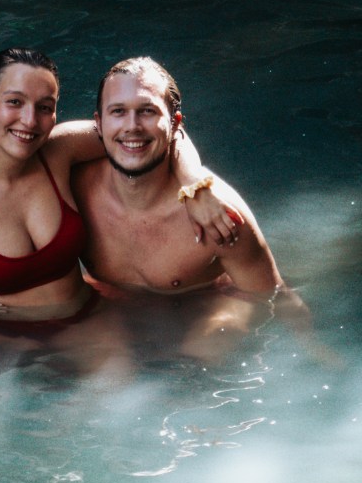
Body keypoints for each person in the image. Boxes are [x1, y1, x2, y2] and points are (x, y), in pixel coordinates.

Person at [0, 48, 238, 339]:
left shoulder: (61, 151)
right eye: (14, 102)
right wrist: (18, 348)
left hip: (87, 328)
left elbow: (159, 134)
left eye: (45, 107)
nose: (29, 120)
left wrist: (195, 185)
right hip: (2, 342)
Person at [70, 56, 312, 358]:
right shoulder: (71, 191)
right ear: (98, 122)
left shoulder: (217, 214)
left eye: (147, 111)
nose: (132, 126)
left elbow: (272, 295)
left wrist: (312, 349)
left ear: (175, 124)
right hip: (122, 311)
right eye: (118, 111)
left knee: (205, 350)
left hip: (212, 304)